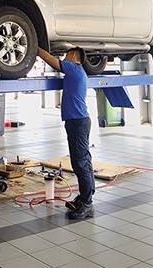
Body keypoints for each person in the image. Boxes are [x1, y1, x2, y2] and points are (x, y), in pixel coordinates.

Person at [37, 46, 94, 219]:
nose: (64, 57)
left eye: (66, 54)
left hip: (78, 121)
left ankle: (87, 203)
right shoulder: (76, 72)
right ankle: (85, 197)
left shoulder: (74, 68)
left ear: (74, 55)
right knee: (81, 161)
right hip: (77, 121)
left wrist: (35, 48)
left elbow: (50, 60)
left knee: (81, 162)